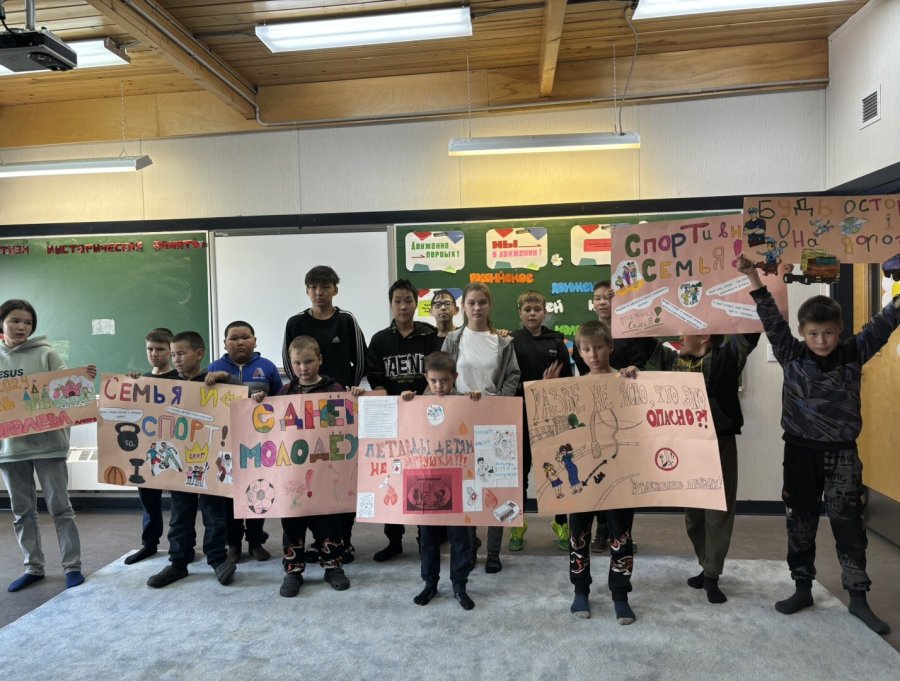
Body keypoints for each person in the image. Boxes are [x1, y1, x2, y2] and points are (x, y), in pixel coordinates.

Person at [737, 255, 899, 635]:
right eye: (813, 334)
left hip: (843, 455)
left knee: (849, 525)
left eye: (828, 333)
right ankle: (802, 589)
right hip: (799, 454)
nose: (821, 341)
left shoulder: (854, 351)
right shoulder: (791, 352)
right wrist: (752, 276)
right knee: (800, 522)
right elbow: (770, 317)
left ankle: (858, 597)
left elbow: (887, 320)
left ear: (840, 329)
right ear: (802, 332)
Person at [645, 331, 759, 603]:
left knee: (718, 510)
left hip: (718, 441)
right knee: (693, 515)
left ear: (704, 336)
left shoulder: (726, 357)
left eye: (686, 331)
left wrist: (757, 301)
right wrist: (617, 313)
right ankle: (705, 563)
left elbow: (750, 334)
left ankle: (712, 574)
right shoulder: (672, 360)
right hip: (687, 444)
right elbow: (639, 342)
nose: (680, 336)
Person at [0, 299, 96, 592]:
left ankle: (72, 567)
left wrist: (82, 380)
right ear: (2, 322)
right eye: (15, 321)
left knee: (60, 508)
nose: (22, 327)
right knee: (22, 511)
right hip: (9, 449)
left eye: (28, 322)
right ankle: (33, 567)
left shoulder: (46, 354)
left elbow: (69, 394)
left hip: (49, 445)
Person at [146, 331, 242, 589]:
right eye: (173, 354)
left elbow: (244, 393)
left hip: (211, 464)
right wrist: (133, 382)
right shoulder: (168, 384)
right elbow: (144, 398)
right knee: (180, 516)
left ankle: (218, 559)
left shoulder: (214, 381)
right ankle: (178, 562)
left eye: (181, 353)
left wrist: (226, 377)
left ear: (199, 354)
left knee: (214, 515)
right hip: (180, 465)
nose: (176, 359)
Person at [282, 265, 366, 560]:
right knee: (308, 476)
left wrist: (348, 393)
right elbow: (289, 362)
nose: (319, 292)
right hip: (305, 415)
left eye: (325, 287)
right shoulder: (295, 322)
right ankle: (318, 541)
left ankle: (343, 540)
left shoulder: (346, 320)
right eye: (314, 287)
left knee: (341, 476)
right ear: (307, 291)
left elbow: (361, 359)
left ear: (335, 290)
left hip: (339, 412)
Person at [256, 335, 350, 596]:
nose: (303, 368)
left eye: (308, 361)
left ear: (320, 360)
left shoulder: (334, 388)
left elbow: (347, 421)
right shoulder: (285, 393)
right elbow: (271, 424)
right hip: (293, 474)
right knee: (292, 523)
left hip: (325, 472)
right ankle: (293, 571)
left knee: (329, 522)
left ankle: (333, 566)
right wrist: (261, 401)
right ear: (290, 365)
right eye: (297, 363)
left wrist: (354, 396)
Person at [358, 279, 442, 562]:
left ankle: (424, 538)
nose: (403, 306)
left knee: (423, 476)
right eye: (397, 301)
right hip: (390, 420)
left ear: (416, 303)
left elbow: (440, 371)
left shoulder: (430, 336)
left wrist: (422, 400)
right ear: (391, 304)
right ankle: (393, 540)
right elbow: (376, 377)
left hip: (424, 418)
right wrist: (388, 403)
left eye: (408, 300)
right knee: (390, 477)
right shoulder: (380, 340)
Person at [441, 282, 520, 574]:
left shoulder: (502, 341)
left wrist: (498, 401)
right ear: (463, 307)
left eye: (482, 303)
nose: (477, 308)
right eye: (471, 303)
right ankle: (471, 546)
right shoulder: (453, 340)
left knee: (496, 485)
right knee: (468, 486)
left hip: (494, 421)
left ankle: (494, 551)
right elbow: (441, 375)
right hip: (461, 422)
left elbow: (512, 376)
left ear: (489, 305)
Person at [574, 281, 654, 554]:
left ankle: (621, 535)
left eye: (607, 297)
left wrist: (630, 374)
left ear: (610, 347)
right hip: (594, 422)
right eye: (597, 298)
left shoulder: (630, 331)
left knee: (620, 482)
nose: (602, 302)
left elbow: (642, 363)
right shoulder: (586, 335)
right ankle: (602, 531)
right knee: (597, 474)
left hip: (622, 418)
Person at [568, 320, 638, 624]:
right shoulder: (574, 387)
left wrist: (634, 379)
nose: (593, 354)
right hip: (584, 476)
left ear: (610, 347)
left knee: (620, 535)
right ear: (579, 352)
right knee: (578, 534)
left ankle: (620, 594)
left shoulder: (625, 379)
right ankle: (580, 590)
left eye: (598, 347)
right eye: (586, 349)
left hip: (620, 471)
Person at [400, 351, 478, 609]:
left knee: (460, 539)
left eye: (444, 380)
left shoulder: (463, 401)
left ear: (455, 377)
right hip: (427, 483)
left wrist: (476, 400)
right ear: (426, 378)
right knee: (428, 538)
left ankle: (459, 585)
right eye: (433, 381)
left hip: (458, 482)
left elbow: (478, 418)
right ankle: (430, 583)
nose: (439, 386)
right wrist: (407, 399)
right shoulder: (418, 402)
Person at [207, 320, 281, 563]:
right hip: (225, 443)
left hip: (259, 442)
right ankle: (234, 544)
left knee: (258, 490)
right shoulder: (214, 368)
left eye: (245, 337)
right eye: (234, 338)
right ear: (225, 343)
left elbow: (281, 401)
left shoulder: (267, 367)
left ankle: (256, 541)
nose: (240, 342)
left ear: (255, 341)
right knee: (230, 496)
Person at [509, 290, 572, 551]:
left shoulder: (556, 341)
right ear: (520, 313)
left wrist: (551, 387)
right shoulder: (510, 341)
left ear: (545, 312)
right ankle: (517, 523)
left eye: (537, 309)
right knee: (520, 473)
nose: (532, 313)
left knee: (556, 469)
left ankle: (561, 522)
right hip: (520, 415)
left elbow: (567, 382)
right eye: (527, 309)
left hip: (549, 417)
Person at [123, 327, 180, 566]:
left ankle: (179, 547)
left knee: (180, 503)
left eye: (160, 349)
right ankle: (149, 544)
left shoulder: (181, 379)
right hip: (147, 450)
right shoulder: (142, 381)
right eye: (150, 349)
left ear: (171, 351)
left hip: (176, 449)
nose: (154, 354)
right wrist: (131, 384)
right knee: (149, 500)